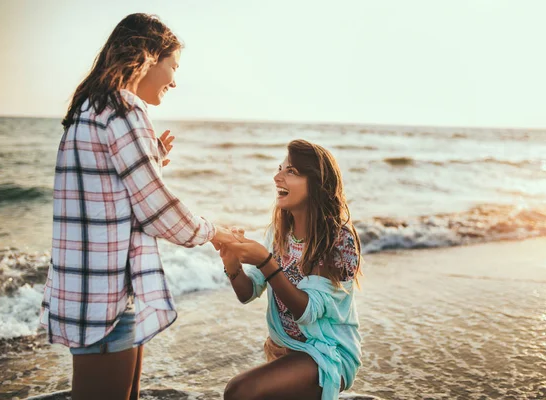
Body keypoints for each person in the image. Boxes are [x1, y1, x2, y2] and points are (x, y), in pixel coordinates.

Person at [39, 13, 234, 400]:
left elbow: (105, 187)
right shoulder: (125, 109)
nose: (175, 80)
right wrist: (216, 233)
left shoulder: (90, 107)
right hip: (107, 295)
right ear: (147, 57)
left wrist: (152, 156)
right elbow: (156, 207)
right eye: (173, 66)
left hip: (88, 288)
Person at [220, 139, 363, 400]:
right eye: (279, 169)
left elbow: (307, 311)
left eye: (291, 172)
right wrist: (232, 264)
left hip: (328, 353)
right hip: (286, 348)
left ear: (317, 183)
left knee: (238, 392)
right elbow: (247, 292)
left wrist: (265, 261)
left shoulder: (337, 240)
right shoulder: (279, 233)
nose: (277, 177)